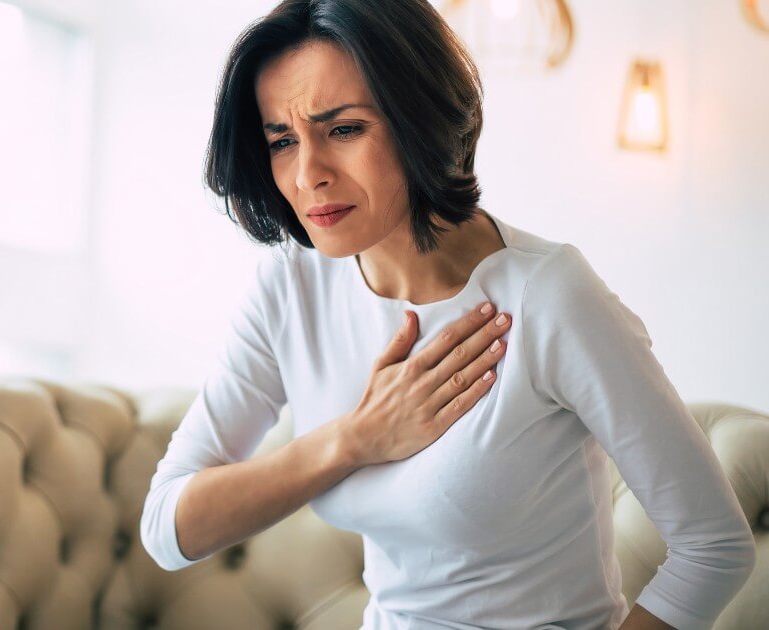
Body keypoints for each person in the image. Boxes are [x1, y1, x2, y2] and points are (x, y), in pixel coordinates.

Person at [139, 1, 756, 629]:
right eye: (282, 141)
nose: (308, 175)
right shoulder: (291, 288)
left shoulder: (549, 295)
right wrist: (354, 439)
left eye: (344, 129)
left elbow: (713, 547)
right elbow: (167, 527)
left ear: (419, 118)